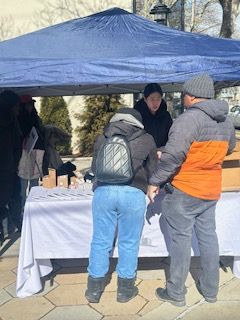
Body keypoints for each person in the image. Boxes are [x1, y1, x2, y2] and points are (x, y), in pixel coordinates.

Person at [147, 73, 236, 307]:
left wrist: (155, 181)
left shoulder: (188, 120)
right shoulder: (226, 121)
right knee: (208, 238)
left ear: (192, 96)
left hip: (185, 190)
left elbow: (173, 157)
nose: (182, 98)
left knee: (181, 242)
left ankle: (176, 292)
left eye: (184, 94)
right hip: (210, 189)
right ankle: (210, 290)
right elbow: (229, 148)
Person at [85, 108, 157, 303]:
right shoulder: (147, 139)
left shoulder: (103, 137)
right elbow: (153, 170)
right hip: (132, 193)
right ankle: (125, 290)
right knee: (129, 242)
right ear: (138, 122)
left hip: (103, 193)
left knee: (100, 240)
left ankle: (93, 289)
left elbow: (94, 168)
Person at [0, 90, 22, 244]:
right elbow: (15, 145)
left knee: (12, 198)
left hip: (9, 168)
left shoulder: (12, 122)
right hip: (7, 168)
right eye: (16, 106)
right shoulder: (9, 123)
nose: (18, 109)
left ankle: (13, 226)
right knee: (8, 199)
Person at [17, 95, 45, 210]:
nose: (30, 107)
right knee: (23, 180)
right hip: (24, 151)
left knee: (34, 180)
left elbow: (41, 131)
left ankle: (34, 208)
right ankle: (22, 208)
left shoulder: (35, 117)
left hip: (36, 150)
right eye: (28, 104)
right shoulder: (19, 118)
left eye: (31, 104)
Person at [134, 83, 172, 157]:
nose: (155, 103)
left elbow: (171, 135)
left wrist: (163, 149)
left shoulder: (166, 116)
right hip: (142, 156)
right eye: (152, 99)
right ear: (145, 99)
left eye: (158, 99)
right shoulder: (137, 116)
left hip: (162, 155)